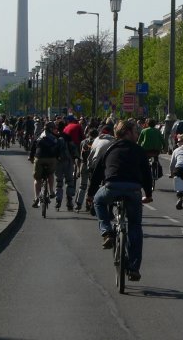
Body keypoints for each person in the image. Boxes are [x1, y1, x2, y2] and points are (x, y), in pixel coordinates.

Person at [88, 119, 153, 281]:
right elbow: (146, 174)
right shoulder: (139, 150)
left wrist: (90, 194)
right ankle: (134, 268)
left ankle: (106, 232)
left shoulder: (109, 148)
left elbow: (97, 173)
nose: (137, 135)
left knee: (99, 201)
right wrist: (149, 194)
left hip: (112, 186)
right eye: (135, 132)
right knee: (135, 226)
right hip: (133, 190)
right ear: (127, 132)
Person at [28, 121, 64, 207]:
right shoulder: (56, 137)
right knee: (50, 174)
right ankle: (51, 191)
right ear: (51, 129)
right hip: (51, 159)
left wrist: (31, 157)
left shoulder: (39, 136)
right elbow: (59, 149)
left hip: (39, 158)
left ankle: (36, 197)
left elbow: (33, 146)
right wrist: (59, 157)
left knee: (37, 178)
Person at [54, 120, 77, 210]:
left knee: (59, 182)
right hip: (68, 161)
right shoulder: (67, 137)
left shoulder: (54, 137)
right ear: (64, 127)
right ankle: (69, 201)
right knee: (69, 181)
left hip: (58, 161)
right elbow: (73, 149)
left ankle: (58, 200)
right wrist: (75, 157)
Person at [74, 126, 97, 212]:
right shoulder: (97, 143)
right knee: (92, 186)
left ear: (88, 134)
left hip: (84, 164)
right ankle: (90, 203)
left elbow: (80, 154)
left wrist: (78, 168)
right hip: (94, 166)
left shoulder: (83, 142)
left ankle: (78, 204)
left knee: (82, 185)